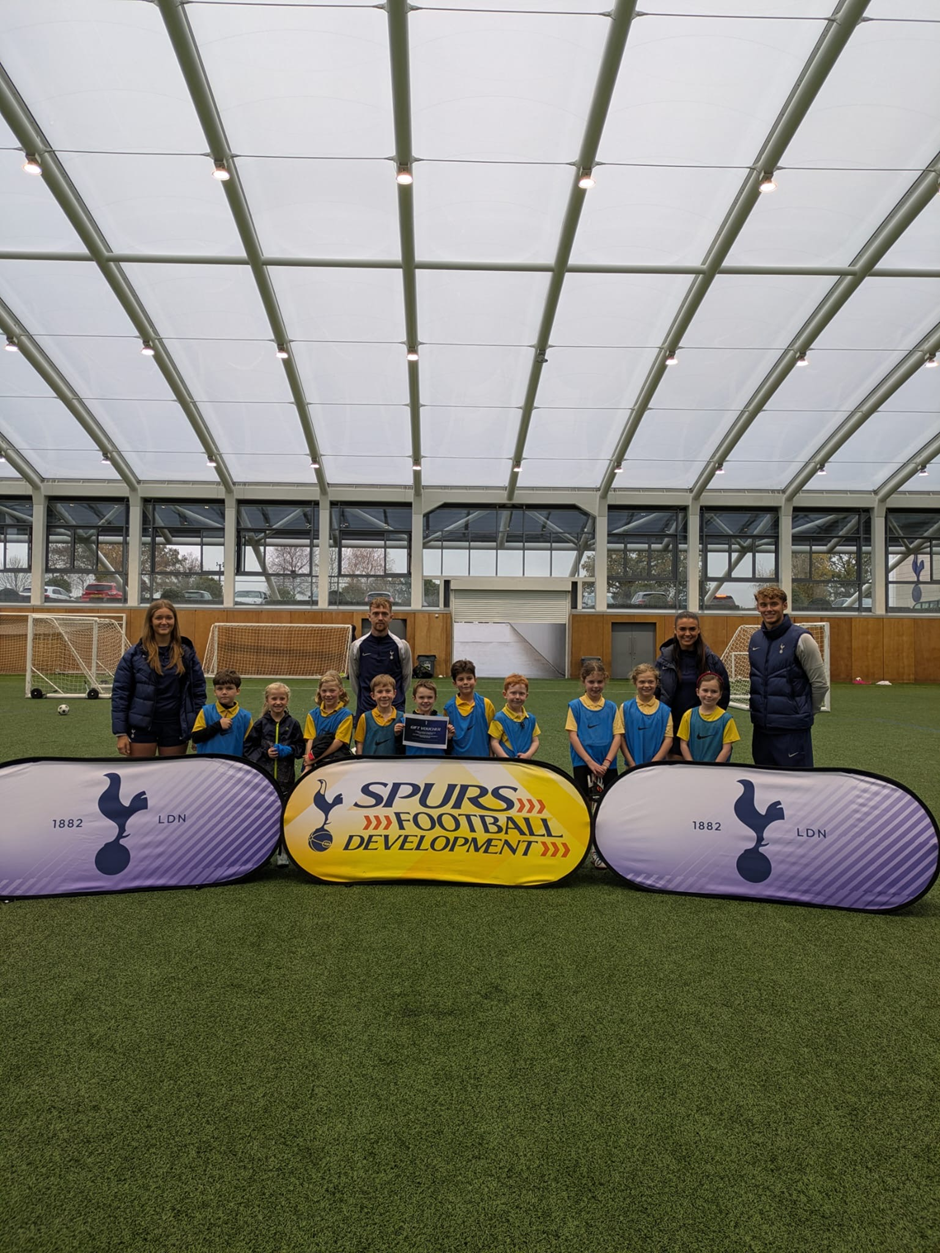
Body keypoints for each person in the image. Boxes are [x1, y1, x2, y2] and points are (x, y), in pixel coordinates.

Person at [112, 599, 206, 758]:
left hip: (175, 726)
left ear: (174, 621)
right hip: (142, 726)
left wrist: (198, 730)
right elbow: (120, 694)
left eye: (169, 618)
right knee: (140, 777)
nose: (164, 622)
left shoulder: (186, 653)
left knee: (171, 778)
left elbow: (197, 693)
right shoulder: (134, 654)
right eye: (159, 618)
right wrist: (121, 733)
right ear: (151, 621)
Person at [748, 584, 828, 768]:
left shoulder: (802, 639)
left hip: (792, 730)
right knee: (765, 783)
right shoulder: (755, 639)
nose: (768, 609)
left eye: (774, 604)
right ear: (758, 607)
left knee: (797, 785)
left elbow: (820, 684)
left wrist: (803, 712)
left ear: (784, 605)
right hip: (761, 729)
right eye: (763, 604)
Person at [655, 612, 729, 759]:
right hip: (674, 727)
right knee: (677, 775)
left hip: (703, 728)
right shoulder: (663, 661)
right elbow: (656, 693)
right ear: (675, 630)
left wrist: (712, 721)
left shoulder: (711, 661)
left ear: (699, 630)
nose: (687, 634)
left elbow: (724, 692)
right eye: (682, 629)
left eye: (692, 629)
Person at [347, 596, 412, 717]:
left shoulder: (401, 646)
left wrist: (393, 697)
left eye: (384, 614)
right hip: (366, 707)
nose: (380, 618)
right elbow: (354, 679)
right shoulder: (357, 646)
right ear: (369, 616)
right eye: (376, 614)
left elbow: (406, 678)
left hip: (395, 707)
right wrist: (366, 697)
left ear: (391, 617)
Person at [566, 660, 622, 799]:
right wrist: (590, 762)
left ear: (605, 681)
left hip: (607, 765)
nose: (595, 686)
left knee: (608, 800)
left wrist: (606, 763)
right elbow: (573, 736)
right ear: (583, 681)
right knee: (585, 800)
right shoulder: (575, 706)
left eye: (599, 682)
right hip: (583, 762)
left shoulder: (611, 707)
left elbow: (618, 736)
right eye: (591, 682)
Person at [243, 682, 305, 797]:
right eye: (274, 698)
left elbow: (301, 748)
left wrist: (290, 750)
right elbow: (248, 748)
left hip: (286, 780)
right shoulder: (260, 724)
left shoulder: (293, 724)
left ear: (287, 700)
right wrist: (265, 753)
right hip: (263, 779)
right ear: (267, 700)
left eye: (282, 698)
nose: (278, 702)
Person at [676, 672, 740, 763]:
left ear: (720, 694)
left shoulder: (726, 719)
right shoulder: (688, 715)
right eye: (705, 690)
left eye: (714, 691)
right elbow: (683, 744)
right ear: (697, 692)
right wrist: (691, 764)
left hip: (718, 771)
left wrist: (713, 768)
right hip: (694, 769)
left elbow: (727, 749)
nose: (709, 695)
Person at [621, 663, 674, 767]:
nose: (646, 685)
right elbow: (621, 738)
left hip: (657, 767)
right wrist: (632, 764)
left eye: (650, 682)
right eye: (642, 682)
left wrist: (653, 764)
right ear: (635, 683)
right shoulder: (626, 708)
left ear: (657, 682)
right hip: (632, 768)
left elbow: (668, 739)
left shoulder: (665, 711)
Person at [190, 669, 253, 757]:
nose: (224, 692)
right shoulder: (206, 711)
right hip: (208, 765)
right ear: (215, 692)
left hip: (233, 765)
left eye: (229, 688)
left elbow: (250, 746)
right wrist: (218, 725)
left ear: (237, 691)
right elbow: (196, 737)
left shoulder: (246, 717)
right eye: (220, 688)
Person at [303, 670, 354, 771]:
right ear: (319, 691)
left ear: (340, 691)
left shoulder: (346, 715)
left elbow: (338, 742)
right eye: (324, 691)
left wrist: (314, 759)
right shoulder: (312, 715)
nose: (328, 694)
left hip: (336, 764)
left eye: (332, 690)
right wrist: (308, 764)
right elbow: (310, 740)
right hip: (313, 764)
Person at [444, 659, 495, 758]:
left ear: (475, 680)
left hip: (482, 760)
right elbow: (448, 737)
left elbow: (492, 735)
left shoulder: (486, 704)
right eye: (461, 679)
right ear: (454, 683)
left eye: (469, 678)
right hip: (457, 762)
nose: (465, 682)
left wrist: (491, 757)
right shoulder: (449, 708)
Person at [489, 674, 540, 761]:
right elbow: (494, 742)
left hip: (526, 763)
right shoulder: (499, 718)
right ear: (505, 694)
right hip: (505, 764)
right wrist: (506, 758)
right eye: (513, 693)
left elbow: (535, 741)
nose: (517, 697)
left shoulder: (531, 719)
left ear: (526, 696)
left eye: (521, 694)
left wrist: (528, 755)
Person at [355, 674, 404, 756]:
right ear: (373, 695)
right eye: (380, 692)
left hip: (393, 766)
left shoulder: (402, 717)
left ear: (394, 693)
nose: (384, 695)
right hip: (370, 765)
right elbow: (360, 743)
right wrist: (360, 762)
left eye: (388, 691)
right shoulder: (365, 717)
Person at [402, 680, 454, 757]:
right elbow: (400, 749)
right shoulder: (405, 721)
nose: (425, 701)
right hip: (413, 764)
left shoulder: (442, 722)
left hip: (436, 764)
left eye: (429, 697)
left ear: (435, 698)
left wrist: (449, 738)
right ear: (414, 698)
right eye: (421, 697)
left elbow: (449, 751)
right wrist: (398, 735)